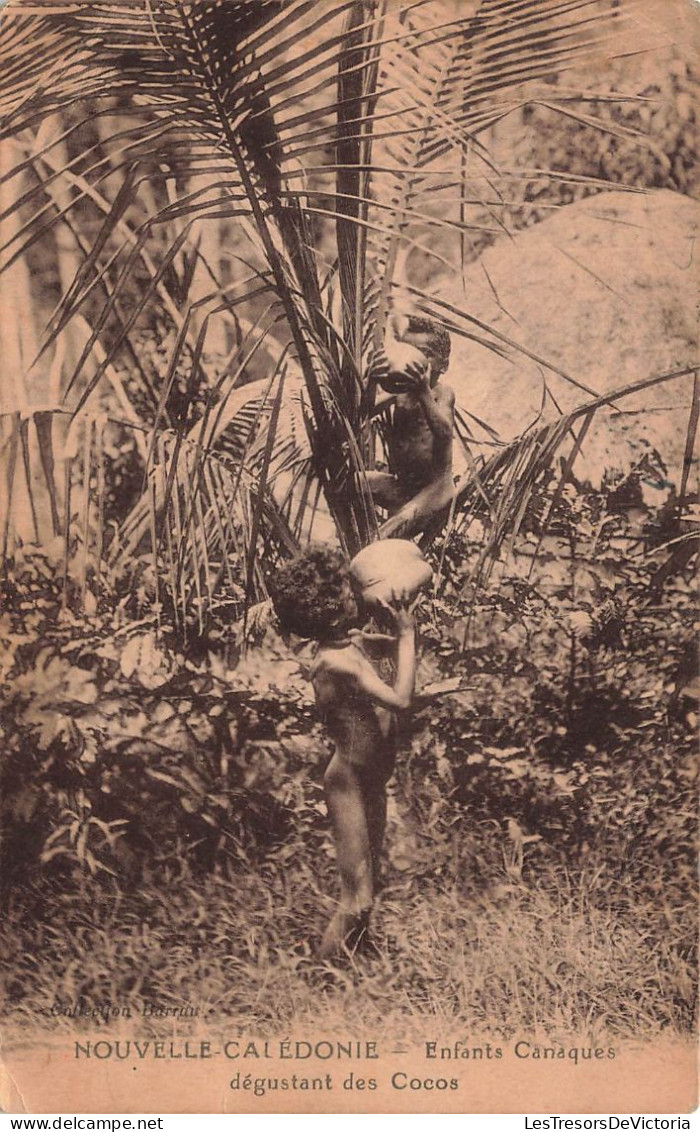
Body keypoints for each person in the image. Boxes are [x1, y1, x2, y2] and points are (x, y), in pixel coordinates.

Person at [269, 546, 416, 957]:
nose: (357, 594)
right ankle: (322, 977)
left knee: (371, 880)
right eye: (350, 593)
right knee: (357, 897)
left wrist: (392, 628)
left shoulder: (347, 644)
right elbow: (400, 700)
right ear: (333, 611)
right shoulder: (335, 662)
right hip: (348, 783)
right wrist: (407, 635)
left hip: (370, 779)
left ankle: (359, 954)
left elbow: (384, 652)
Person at [366, 313, 456, 539]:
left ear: (443, 365)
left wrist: (423, 390)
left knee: (389, 532)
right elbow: (364, 413)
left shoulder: (441, 393)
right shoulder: (400, 393)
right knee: (350, 483)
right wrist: (372, 380)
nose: (412, 359)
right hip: (403, 487)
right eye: (407, 351)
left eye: (424, 354)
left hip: (434, 490)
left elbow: (444, 433)